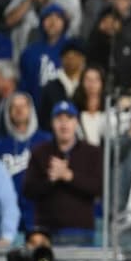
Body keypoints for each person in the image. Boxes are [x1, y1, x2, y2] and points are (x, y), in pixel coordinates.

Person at [24, 101, 103, 246]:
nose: (64, 124)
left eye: (69, 119)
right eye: (59, 119)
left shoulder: (92, 152)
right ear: (52, 123)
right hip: (46, 233)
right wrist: (51, 180)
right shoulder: (39, 152)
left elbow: (98, 187)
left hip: (80, 232)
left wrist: (69, 176)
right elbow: (28, 190)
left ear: (76, 122)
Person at [0, 92, 51, 235]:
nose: (19, 110)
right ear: (8, 112)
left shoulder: (46, 141)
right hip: (9, 218)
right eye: (14, 106)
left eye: (23, 106)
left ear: (31, 110)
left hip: (40, 216)